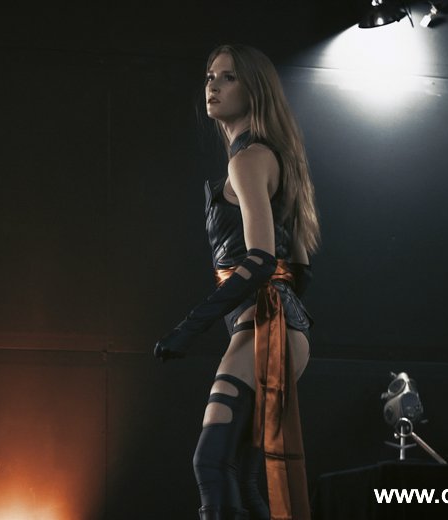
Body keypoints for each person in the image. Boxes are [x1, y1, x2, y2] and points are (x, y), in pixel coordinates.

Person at [154, 44, 320, 520]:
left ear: (254, 90)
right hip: (279, 327)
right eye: (210, 76)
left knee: (211, 463)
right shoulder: (276, 160)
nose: (213, 85)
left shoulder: (248, 160)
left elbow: (262, 260)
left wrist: (187, 329)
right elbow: (300, 269)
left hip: (263, 325)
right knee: (243, 478)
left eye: (228, 77)